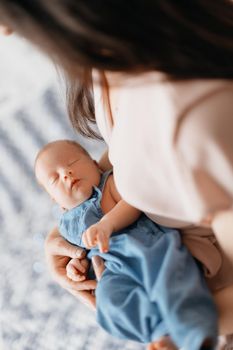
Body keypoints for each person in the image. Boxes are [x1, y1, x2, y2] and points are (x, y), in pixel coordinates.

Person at [0, 1, 233, 347]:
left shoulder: (196, 123)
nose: (5, 30)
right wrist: (83, 210)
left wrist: (170, 321)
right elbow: (138, 143)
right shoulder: (119, 50)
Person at [35, 139, 218, 350]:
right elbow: (80, 254)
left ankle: (196, 329)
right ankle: (160, 332)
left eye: (72, 162)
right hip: (111, 270)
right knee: (110, 304)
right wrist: (75, 267)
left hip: (146, 245)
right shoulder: (66, 226)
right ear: (55, 201)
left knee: (170, 278)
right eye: (54, 179)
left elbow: (132, 202)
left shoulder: (110, 184)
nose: (66, 174)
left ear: (95, 164)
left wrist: (107, 224)